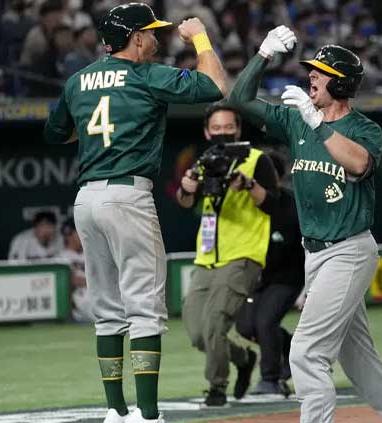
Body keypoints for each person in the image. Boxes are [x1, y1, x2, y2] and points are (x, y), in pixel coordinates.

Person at [43, 3, 227, 423]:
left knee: (106, 312)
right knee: (144, 309)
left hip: (86, 199)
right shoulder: (146, 75)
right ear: (136, 37)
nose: (157, 39)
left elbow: (55, 132)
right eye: (151, 32)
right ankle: (146, 415)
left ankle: (116, 411)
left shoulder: (78, 80)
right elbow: (216, 85)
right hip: (127, 195)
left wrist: (97, 134)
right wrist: (199, 37)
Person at [229, 26, 382, 423]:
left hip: (348, 250)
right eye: (311, 70)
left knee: (305, 351)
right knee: (358, 360)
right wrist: (263, 53)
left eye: (320, 71)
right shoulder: (296, 120)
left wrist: (316, 122)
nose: (311, 76)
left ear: (342, 82)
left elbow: (359, 163)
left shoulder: (363, 128)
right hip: (314, 254)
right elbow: (239, 100)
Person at [177, 104, 279, 407]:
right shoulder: (205, 161)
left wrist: (247, 185)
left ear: (238, 128)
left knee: (215, 324)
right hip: (208, 256)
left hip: (244, 253)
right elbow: (185, 202)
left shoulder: (257, 160)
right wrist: (186, 187)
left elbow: (273, 204)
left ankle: (217, 388)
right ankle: (243, 357)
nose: (222, 133)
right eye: (216, 128)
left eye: (228, 127)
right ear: (208, 131)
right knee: (198, 333)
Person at [235, 149, 304, 398]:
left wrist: (309, 289)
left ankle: (271, 380)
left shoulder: (291, 204)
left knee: (265, 323)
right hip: (256, 279)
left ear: (279, 175)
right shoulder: (246, 204)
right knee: (245, 326)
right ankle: (288, 346)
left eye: (267, 172)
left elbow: (305, 246)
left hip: (288, 277)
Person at [59, 218, 93, 322]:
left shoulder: (91, 253)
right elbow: (69, 280)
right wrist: (94, 281)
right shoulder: (60, 257)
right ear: (68, 235)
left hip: (96, 294)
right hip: (80, 299)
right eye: (79, 232)